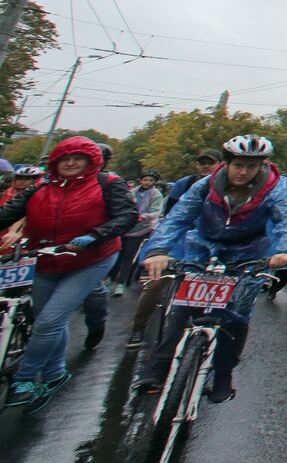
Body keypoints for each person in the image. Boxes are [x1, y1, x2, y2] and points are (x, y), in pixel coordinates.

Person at [133, 135, 287, 403]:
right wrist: (158, 250)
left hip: (249, 252)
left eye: (251, 167)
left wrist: (284, 250)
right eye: (238, 165)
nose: (243, 172)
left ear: (261, 167)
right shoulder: (205, 185)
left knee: (237, 314)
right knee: (184, 306)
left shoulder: (272, 189)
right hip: (203, 246)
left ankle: (223, 375)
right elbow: (178, 218)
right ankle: (158, 368)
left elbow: (285, 220)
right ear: (226, 164)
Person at [0, 137, 137, 412]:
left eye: (78, 159)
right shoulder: (41, 187)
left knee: (48, 322)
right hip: (46, 260)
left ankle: (24, 379)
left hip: (90, 259)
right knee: (50, 320)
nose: (71, 163)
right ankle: (54, 373)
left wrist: (94, 236)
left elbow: (127, 215)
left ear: (91, 161)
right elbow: (7, 213)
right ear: (55, 162)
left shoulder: (109, 184)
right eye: (65, 159)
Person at [125, 152, 219, 348]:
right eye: (201, 163)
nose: (205, 167)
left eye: (210, 163)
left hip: (208, 242)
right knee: (156, 284)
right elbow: (172, 216)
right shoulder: (185, 183)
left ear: (220, 164)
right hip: (179, 240)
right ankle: (138, 328)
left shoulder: (229, 185)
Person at [108, 169, 164, 297]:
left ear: (154, 182)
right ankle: (112, 278)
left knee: (129, 255)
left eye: (151, 180)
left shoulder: (156, 195)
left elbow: (155, 212)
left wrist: (143, 216)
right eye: (145, 180)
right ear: (141, 180)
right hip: (126, 226)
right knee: (117, 252)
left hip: (141, 228)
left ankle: (120, 283)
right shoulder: (132, 192)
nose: (147, 182)